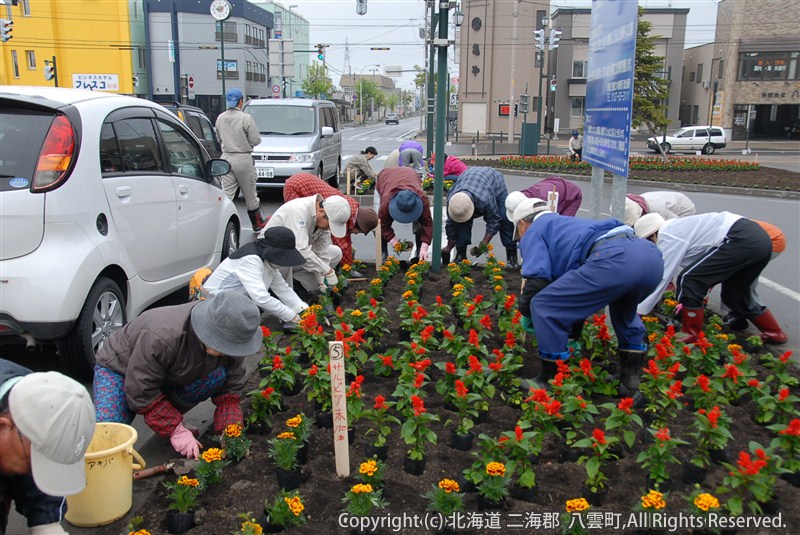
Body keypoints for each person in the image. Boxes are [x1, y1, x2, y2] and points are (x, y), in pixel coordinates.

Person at [513, 202, 663, 394]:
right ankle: (629, 383)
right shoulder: (565, 226)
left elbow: (537, 279)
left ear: (522, 224)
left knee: (544, 305)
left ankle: (551, 380)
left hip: (614, 259)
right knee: (624, 312)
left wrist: (526, 310)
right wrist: (572, 333)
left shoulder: (534, 231)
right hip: (649, 257)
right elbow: (575, 297)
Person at [94, 292, 263, 460]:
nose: (229, 352)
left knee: (218, 376)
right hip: (119, 370)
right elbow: (140, 390)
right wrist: (175, 429)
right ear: (209, 332)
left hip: (167, 375)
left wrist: (230, 432)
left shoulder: (233, 338)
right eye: (224, 346)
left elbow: (230, 388)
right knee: (107, 433)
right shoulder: (162, 337)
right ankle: (169, 425)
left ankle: (169, 421)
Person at [634, 212, 787, 344]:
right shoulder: (682, 228)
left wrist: (638, 311)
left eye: (648, 241)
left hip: (740, 238)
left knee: (689, 279)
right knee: (735, 294)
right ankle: (774, 333)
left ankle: (691, 332)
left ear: (653, 235)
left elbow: (662, 276)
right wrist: (690, 301)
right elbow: (707, 272)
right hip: (759, 240)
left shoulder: (668, 234)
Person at [0, 361, 96, 535]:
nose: (35, 471)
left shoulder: (31, 395)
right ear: (3, 427)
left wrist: (45, 524)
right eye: (32, 464)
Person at [202, 227, 308, 328]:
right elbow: (261, 298)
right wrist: (291, 316)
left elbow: (282, 288)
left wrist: (304, 311)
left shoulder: (266, 258)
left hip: (233, 304)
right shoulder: (251, 259)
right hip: (214, 306)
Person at [260, 194, 351, 299]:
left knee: (335, 253)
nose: (329, 228)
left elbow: (322, 253)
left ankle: (299, 285)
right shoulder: (298, 210)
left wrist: (322, 282)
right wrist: (328, 271)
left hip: (293, 257)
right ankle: (283, 296)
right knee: (288, 256)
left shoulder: (321, 223)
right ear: (321, 212)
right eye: (330, 224)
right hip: (269, 257)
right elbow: (300, 250)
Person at [283, 173, 378, 268]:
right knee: (301, 233)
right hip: (296, 187)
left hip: (302, 180)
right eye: (359, 232)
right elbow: (341, 242)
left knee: (316, 233)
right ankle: (301, 267)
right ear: (358, 224)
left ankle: (311, 262)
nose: (356, 234)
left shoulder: (349, 206)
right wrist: (347, 267)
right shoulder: (342, 214)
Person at [442, 167, 518, 269]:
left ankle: (512, 257)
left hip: (494, 181)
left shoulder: (485, 199)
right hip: (469, 178)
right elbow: (451, 224)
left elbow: (494, 221)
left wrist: (483, 244)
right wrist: (449, 247)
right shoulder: (453, 200)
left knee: (504, 218)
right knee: (461, 222)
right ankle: (461, 255)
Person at [723, 220, 786, 340]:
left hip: (770, 241)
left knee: (742, 285)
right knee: (733, 280)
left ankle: (773, 331)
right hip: (755, 240)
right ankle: (737, 315)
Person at [215, 88, 267, 232]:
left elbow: (218, 138)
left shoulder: (220, 118)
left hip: (226, 158)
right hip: (243, 157)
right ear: (240, 101)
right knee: (250, 194)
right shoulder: (245, 118)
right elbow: (255, 140)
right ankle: (256, 223)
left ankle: (221, 223)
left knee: (227, 194)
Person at [376, 167, 434, 262]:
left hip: (411, 175)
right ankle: (383, 252)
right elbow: (382, 224)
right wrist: (393, 240)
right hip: (385, 178)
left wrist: (425, 246)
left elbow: (427, 223)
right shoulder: (386, 201)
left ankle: (419, 250)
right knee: (378, 222)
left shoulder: (422, 198)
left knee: (419, 221)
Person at [505, 176, 583, 219]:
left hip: (573, 195)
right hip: (555, 185)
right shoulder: (523, 195)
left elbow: (549, 222)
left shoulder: (544, 199)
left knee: (560, 227)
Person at [623, 191, 696, 227]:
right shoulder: (633, 203)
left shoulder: (658, 210)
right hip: (667, 201)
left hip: (683, 208)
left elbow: (676, 223)